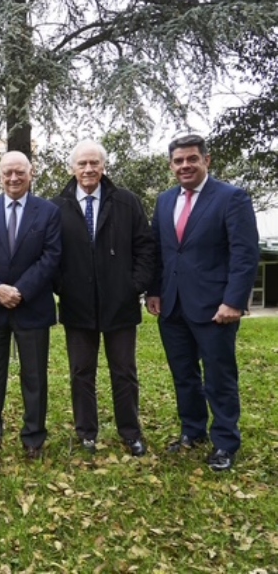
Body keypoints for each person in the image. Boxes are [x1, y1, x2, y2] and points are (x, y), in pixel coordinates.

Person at [146, 134, 259, 472]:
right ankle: (192, 431)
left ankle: (225, 442)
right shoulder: (165, 201)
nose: (185, 165)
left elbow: (244, 253)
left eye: (191, 159)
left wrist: (234, 301)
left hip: (215, 308)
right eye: (178, 161)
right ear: (171, 165)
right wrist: (154, 291)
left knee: (219, 377)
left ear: (206, 161)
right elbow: (158, 251)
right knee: (184, 374)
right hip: (173, 306)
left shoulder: (231, 198)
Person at [52, 140, 155, 457]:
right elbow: (50, 255)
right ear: (72, 168)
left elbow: (145, 248)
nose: (88, 169)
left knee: (124, 371)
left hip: (120, 304)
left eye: (94, 163)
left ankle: (130, 432)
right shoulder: (56, 207)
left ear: (103, 166)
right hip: (77, 304)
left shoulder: (127, 202)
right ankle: (87, 433)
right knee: (81, 371)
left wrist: (133, 285)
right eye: (82, 164)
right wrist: (63, 286)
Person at [0, 151, 61, 459]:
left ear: (31, 173)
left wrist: (20, 290)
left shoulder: (48, 211)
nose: (13, 178)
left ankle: (33, 438)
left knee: (34, 377)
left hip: (31, 306)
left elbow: (51, 256)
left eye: (19, 172)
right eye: (7, 172)